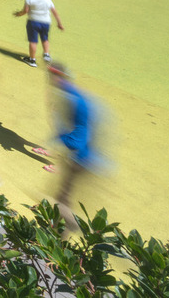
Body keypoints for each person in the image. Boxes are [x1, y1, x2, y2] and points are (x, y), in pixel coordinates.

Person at [45, 62, 100, 231]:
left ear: (58, 77)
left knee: (61, 200)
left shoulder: (72, 100)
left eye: (51, 76)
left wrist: (59, 137)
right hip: (82, 157)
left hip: (80, 159)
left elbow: (77, 140)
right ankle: (56, 234)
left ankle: (74, 228)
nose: (48, 80)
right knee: (63, 197)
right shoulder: (71, 95)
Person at [14, 0, 63, 67]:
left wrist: (18, 14)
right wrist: (59, 23)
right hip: (46, 23)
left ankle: (32, 60)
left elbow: (25, 10)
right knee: (45, 39)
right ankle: (46, 55)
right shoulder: (48, 0)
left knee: (33, 41)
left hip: (33, 22)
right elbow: (55, 13)